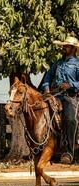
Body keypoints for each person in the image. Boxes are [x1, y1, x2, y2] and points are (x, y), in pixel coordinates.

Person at [41, 36, 79, 164]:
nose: (63, 48)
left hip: (69, 96)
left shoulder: (77, 64)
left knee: (70, 119)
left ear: (73, 49)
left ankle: (68, 152)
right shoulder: (57, 63)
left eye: (66, 46)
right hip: (54, 96)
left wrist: (71, 84)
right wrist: (46, 89)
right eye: (63, 46)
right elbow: (47, 77)